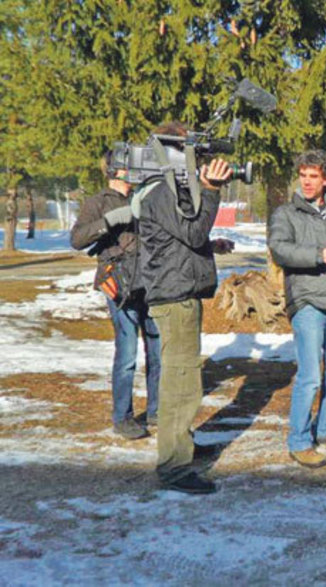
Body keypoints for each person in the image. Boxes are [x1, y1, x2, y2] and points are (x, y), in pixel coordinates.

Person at [134, 122, 233, 494]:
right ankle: (174, 466)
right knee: (180, 383)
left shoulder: (168, 192)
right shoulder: (162, 193)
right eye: (195, 154)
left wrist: (211, 246)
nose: (201, 162)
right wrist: (211, 191)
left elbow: (186, 239)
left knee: (183, 378)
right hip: (174, 299)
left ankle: (182, 446)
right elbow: (191, 232)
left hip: (180, 294)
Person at [268, 150, 326, 468]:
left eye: (314, 176)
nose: (307, 182)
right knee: (310, 376)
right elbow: (280, 250)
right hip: (307, 301)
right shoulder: (286, 214)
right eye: (303, 175)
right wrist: (318, 255)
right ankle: (299, 440)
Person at [71, 152, 160, 440]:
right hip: (119, 285)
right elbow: (77, 239)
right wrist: (111, 220)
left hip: (150, 284)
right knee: (127, 355)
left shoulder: (145, 199)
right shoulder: (97, 202)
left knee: (158, 352)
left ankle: (157, 411)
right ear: (114, 170)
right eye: (128, 165)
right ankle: (123, 417)